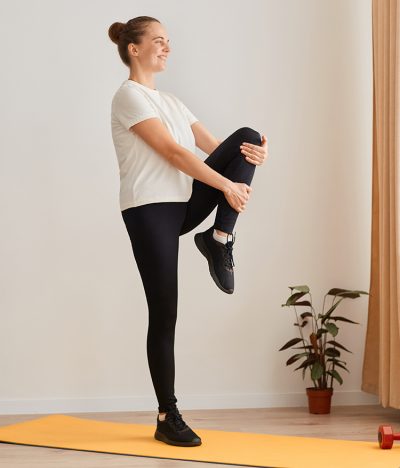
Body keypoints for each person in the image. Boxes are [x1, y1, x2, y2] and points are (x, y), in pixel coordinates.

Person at [108, 16, 268, 447]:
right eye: (158, 41)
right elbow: (175, 153)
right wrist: (228, 185)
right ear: (134, 49)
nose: (167, 48)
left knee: (250, 137)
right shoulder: (128, 97)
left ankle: (218, 240)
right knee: (165, 313)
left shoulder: (175, 102)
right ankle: (167, 414)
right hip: (148, 211)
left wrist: (249, 159)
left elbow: (216, 151)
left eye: (168, 42)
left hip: (180, 204)